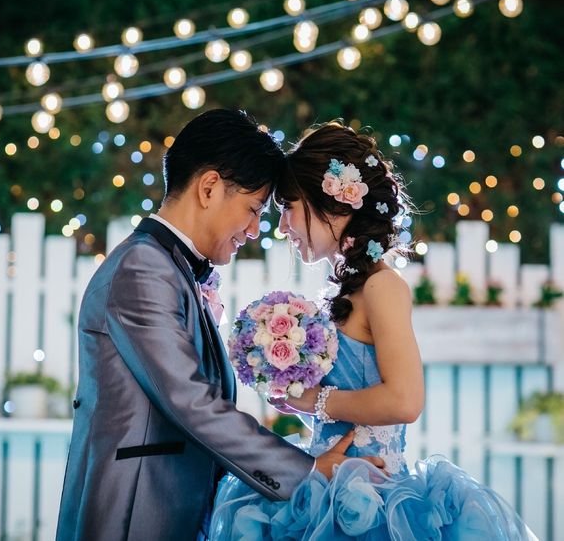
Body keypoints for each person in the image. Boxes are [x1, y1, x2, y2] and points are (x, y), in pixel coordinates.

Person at [55, 110, 382, 541]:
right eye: (252, 209)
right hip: (134, 514)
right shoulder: (142, 269)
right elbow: (192, 402)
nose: (255, 229)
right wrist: (308, 471)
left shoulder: (169, 268)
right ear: (208, 187)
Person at [210, 121, 535, 539]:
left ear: (335, 203)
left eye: (289, 207)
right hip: (326, 484)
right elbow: (352, 398)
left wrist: (316, 401)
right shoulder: (342, 292)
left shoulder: (383, 287)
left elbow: (405, 400)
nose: (283, 227)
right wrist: (297, 398)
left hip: (375, 502)